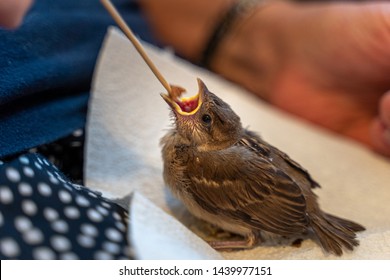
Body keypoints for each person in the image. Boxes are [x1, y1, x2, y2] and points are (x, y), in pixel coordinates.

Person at [1, 0, 389, 259]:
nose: (197, 111)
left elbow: (269, 202)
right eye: (204, 116)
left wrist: (262, 40)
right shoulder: (200, 161)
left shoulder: (198, 165)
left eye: (206, 118)